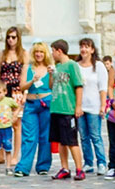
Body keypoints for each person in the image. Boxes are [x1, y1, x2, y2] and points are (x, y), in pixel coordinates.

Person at [15, 42, 54, 177]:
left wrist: (52, 75)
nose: (39, 54)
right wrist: (32, 81)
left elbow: (51, 86)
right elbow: (22, 87)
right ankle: (23, 167)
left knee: (45, 136)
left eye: (41, 52)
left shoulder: (49, 68)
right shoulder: (28, 67)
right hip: (31, 103)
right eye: (37, 52)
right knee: (29, 136)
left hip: (46, 103)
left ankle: (43, 165)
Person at [49, 39, 85, 181]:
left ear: (59, 51)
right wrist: (52, 74)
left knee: (71, 141)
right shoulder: (58, 67)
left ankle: (79, 168)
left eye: (53, 51)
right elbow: (51, 86)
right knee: (60, 141)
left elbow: (79, 86)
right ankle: (64, 168)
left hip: (67, 109)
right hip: (56, 108)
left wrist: (78, 106)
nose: (52, 54)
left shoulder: (72, 65)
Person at [77, 37, 108, 176]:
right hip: (80, 106)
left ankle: (101, 162)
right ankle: (88, 162)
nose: (84, 49)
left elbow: (103, 87)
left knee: (96, 136)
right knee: (84, 137)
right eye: (82, 47)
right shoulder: (76, 66)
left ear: (92, 49)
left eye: (87, 47)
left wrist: (103, 105)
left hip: (94, 106)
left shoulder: (99, 66)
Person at [0, 27, 25, 168]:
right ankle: (0, 154)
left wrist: (24, 93)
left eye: (13, 37)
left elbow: (26, 74)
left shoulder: (23, 54)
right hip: (3, 92)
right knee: (1, 122)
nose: (10, 39)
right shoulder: (3, 54)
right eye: (8, 37)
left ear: (18, 38)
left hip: (16, 91)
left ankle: (15, 156)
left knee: (16, 124)